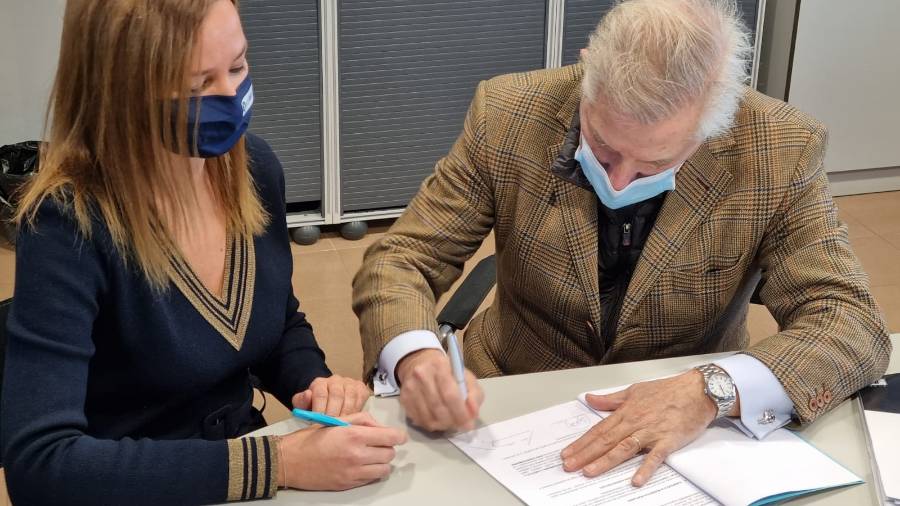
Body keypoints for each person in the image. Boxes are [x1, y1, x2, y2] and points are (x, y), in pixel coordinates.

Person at [352, 0, 891, 487]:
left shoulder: (778, 147)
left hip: (686, 421)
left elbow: (849, 320)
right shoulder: (509, 113)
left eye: (655, 163)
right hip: (508, 397)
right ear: (588, 73)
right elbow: (402, 259)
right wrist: (415, 355)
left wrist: (712, 389)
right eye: (604, 147)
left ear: (715, 122)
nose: (619, 182)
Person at [0, 1, 406, 504]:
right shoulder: (68, 224)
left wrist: (314, 382)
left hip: (236, 470)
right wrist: (278, 463)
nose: (231, 98)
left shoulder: (255, 170)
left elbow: (277, 320)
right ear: (120, 93)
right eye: (197, 87)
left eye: (237, 66)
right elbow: (41, 465)